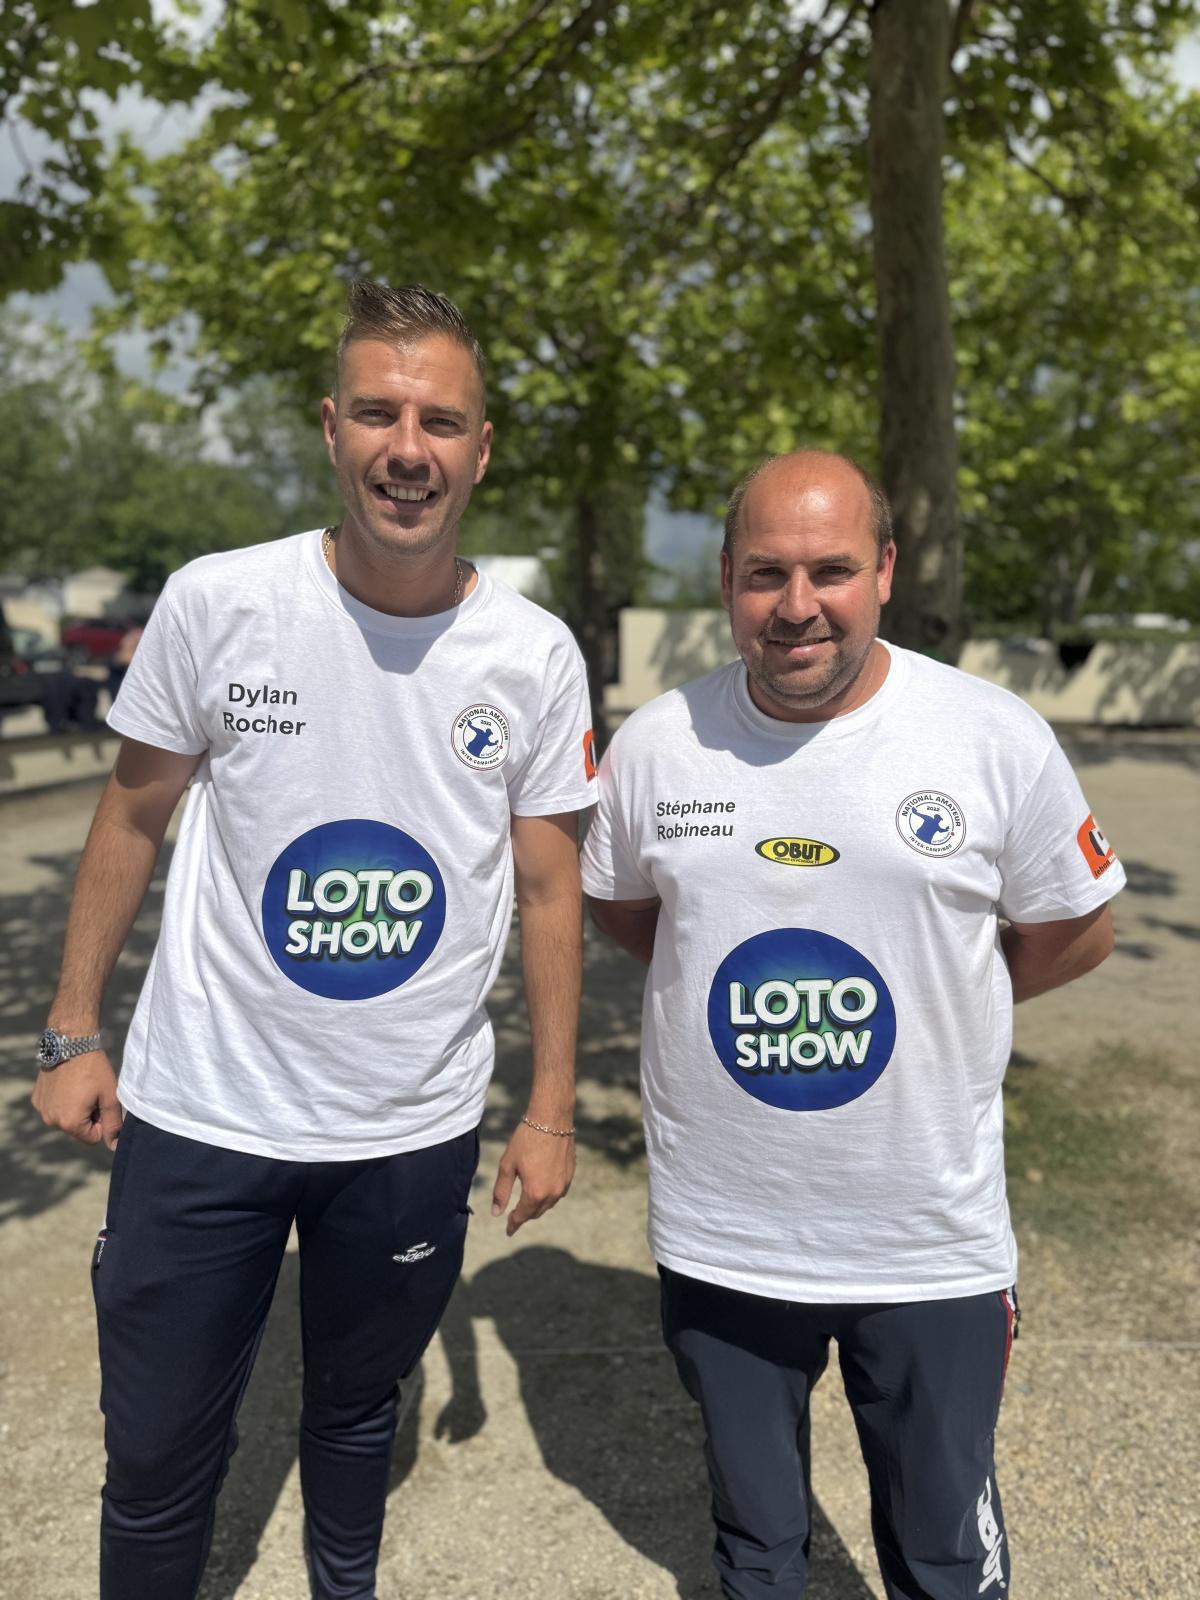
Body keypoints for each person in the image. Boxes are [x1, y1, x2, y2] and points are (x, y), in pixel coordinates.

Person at [32, 281, 594, 1600]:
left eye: (440, 421)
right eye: (380, 414)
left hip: (408, 1128)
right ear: (332, 428)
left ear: (481, 449)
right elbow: (132, 812)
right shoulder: (220, 602)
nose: (410, 448)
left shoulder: (532, 655)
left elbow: (550, 888)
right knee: (157, 1452)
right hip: (203, 1110)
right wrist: (70, 1029)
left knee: (353, 1418)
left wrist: (551, 1108)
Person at [581, 449, 1123, 1600]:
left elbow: (1076, 927)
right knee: (755, 1552)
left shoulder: (989, 733)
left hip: (927, 1239)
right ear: (725, 579)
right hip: (727, 1233)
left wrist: (942, 999)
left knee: (942, 1557)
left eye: (830, 570)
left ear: (883, 569)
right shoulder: (657, 744)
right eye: (765, 572)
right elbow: (631, 913)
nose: (798, 605)